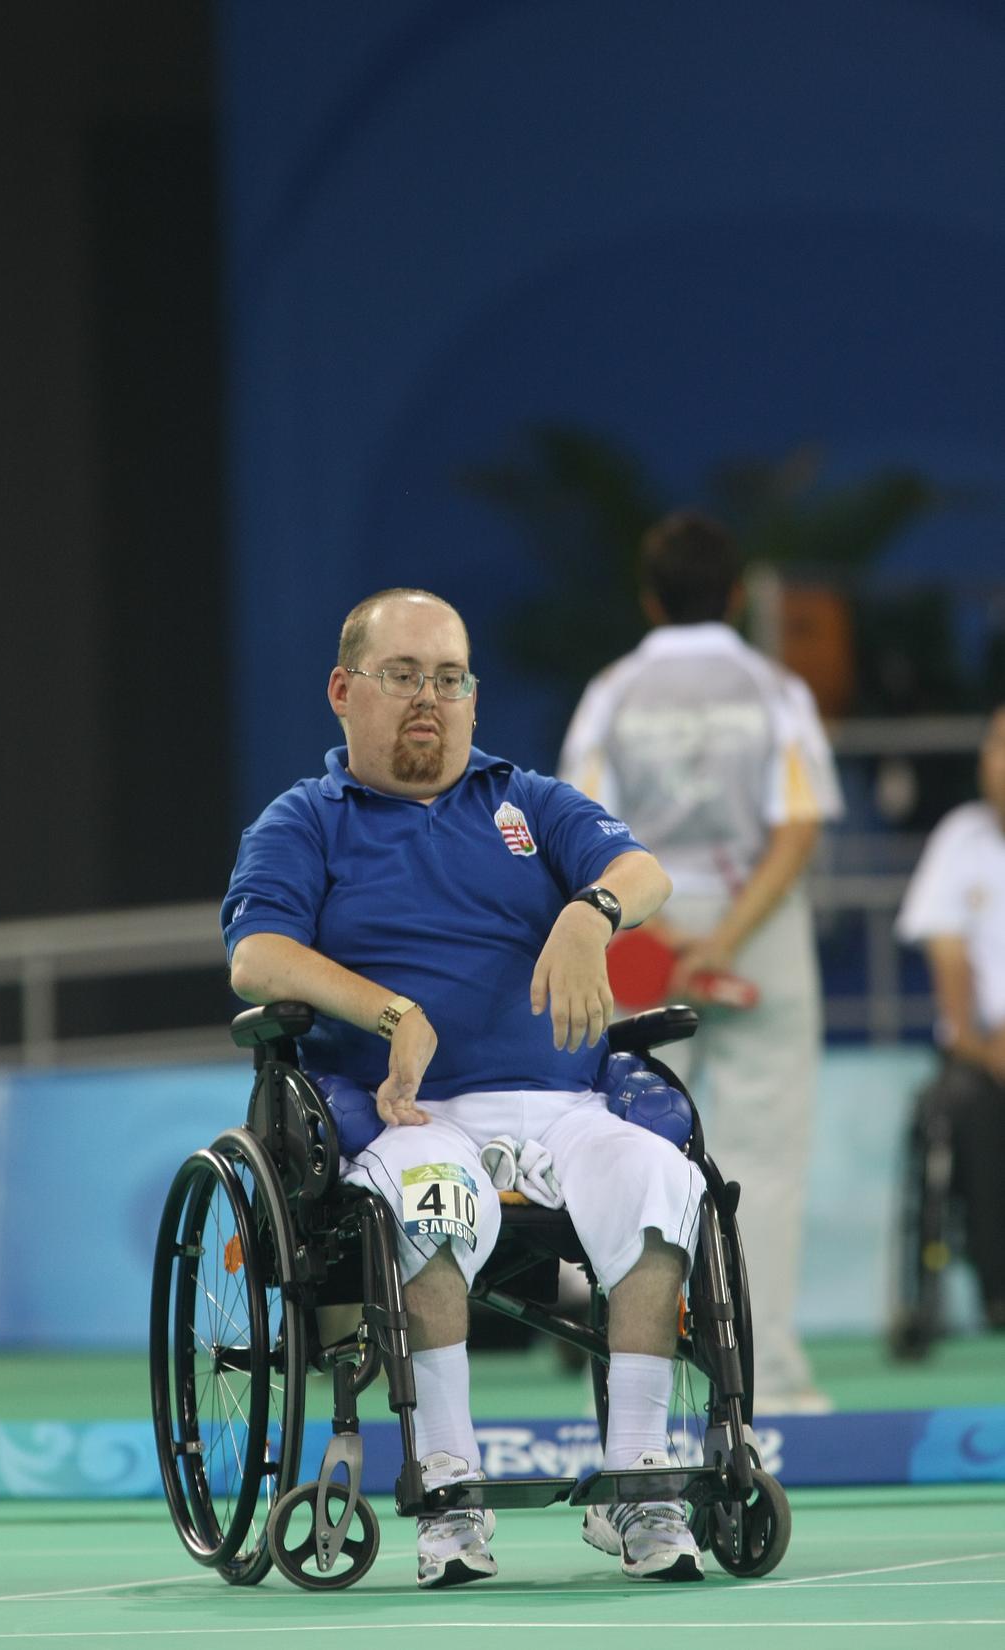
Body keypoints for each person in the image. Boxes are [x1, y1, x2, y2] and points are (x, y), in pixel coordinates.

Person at [222, 587, 707, 1588]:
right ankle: (448, 1492)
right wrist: (390, 1012)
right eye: (402, 675)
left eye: (448, 679)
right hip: (411, 1116)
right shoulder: (304, 821)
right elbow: (256, 956)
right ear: (343, 690)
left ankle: (640, 1484)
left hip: (567, 1111)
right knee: (433, 1202)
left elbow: (644, 873)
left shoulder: (529, 801)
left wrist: (589, 913)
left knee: (664, 1183)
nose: (428, 699)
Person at [559, 512, 844, 1414]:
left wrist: (672, 937)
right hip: (759, 935)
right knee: (766, 1158)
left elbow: (583, 830)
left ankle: (634, 1387)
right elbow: (799, 825)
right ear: (735, 596)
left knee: (628, 1151)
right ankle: (771, 1378)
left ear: (650, 598)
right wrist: (725, 941)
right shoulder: (774, 688)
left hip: (641, 932)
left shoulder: (611, 694)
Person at [894, 706, 1005, 1330]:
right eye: (996, 745)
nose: (1000, 760)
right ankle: (997, 1286)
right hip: (980, 1054)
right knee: (964, 1105)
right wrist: (981, 1045)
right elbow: (948, 955)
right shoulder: (960, 838)